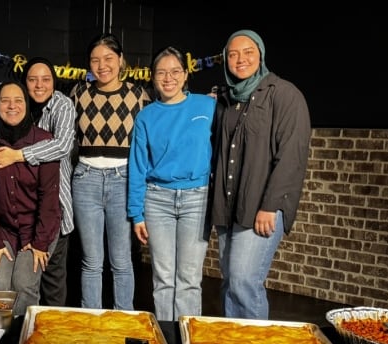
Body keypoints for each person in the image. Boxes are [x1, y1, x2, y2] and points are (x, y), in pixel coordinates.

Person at [210, 29, 311, 319]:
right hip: (230, 207)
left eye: (248, 52)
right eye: (232, 54)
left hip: (261, 206)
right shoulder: (228, 99)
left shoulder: (284, 94)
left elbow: (292, 156)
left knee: (244, 283)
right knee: (230, 283)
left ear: (261, 55)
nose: (240, 59)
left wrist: (271, 205)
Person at [127, 46, 215, 321]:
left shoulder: (207, 106)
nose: (168, 78)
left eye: (175, 71)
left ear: (185, 75)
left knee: (189, 278)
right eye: (161, 72)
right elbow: (138, 165)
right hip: (157, 200)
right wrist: (136, 213)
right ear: (153, 77)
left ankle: (189, 342)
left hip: (197, 198)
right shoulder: (146, 116)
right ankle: (168, 339)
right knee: (163, 278)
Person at [0, 57, 75, 306]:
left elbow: (62, 148)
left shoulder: (58, 111)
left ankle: (34, 337)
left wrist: (18, 155)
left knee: (33, 282)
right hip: (6, 228)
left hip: (47, 218)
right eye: (32, 80)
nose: (39, 85)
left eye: (46, 79)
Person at [69, 33, 151, 310]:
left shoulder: (138, 95)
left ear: (120, 60)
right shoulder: (79, 93)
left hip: (123, 180)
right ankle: (92, 320)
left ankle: (122, 318)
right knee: (91, 261)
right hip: (85, 179)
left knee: (121, 260)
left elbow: (148, 141)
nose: (102, 65)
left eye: (108, 58)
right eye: (95, 60)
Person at [0, 81, 61, 315]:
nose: (12, 106)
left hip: (38, 228)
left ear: (27, 104)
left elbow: (49, 197)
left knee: (24, 285)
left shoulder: (44, 141)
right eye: (5, 100)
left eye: (18, 100)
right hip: (3, 230)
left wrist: (40, 243)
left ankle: (23, 340)